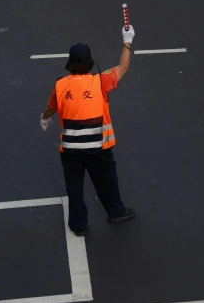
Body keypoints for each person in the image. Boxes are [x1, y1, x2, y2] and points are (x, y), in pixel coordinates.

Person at [40, 25, 136, 235]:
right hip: (99, 146)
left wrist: (45, 118)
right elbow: (123, 66)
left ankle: (78, 225)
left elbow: (51, 107)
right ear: (90, 63)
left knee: (74, 188)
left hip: (71, 150)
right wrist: (127, 40)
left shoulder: (60, 85)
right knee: (107, 182)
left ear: (70, 64)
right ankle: (116, 211)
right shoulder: (100, 81)